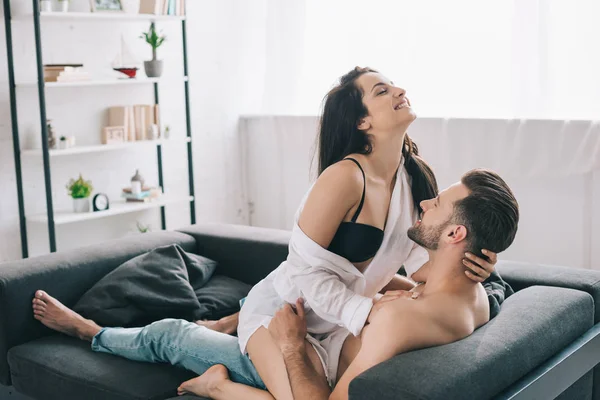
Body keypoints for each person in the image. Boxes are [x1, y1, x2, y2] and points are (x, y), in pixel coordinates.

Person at [31, 67, 499, 398]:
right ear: (362, 122)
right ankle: (91, 330)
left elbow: (418, 263)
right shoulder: (344, 178)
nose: (398, 89)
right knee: (176, 337)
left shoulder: (418, 178)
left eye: (391, 83)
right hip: (286, 310)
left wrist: (471, 268)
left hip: (336, 326)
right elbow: (304, 272)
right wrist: (370, 310)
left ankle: (223, 334)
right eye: (382, 90)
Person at [179, 168, 519, 400]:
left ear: (455, 234)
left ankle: (218, 387)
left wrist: (291, 345)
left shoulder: (400, 319)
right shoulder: (475, 296)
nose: (426, 203)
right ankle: (232, 324)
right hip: (331, 335)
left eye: (438, 203)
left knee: (172, 337)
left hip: (314, 359)